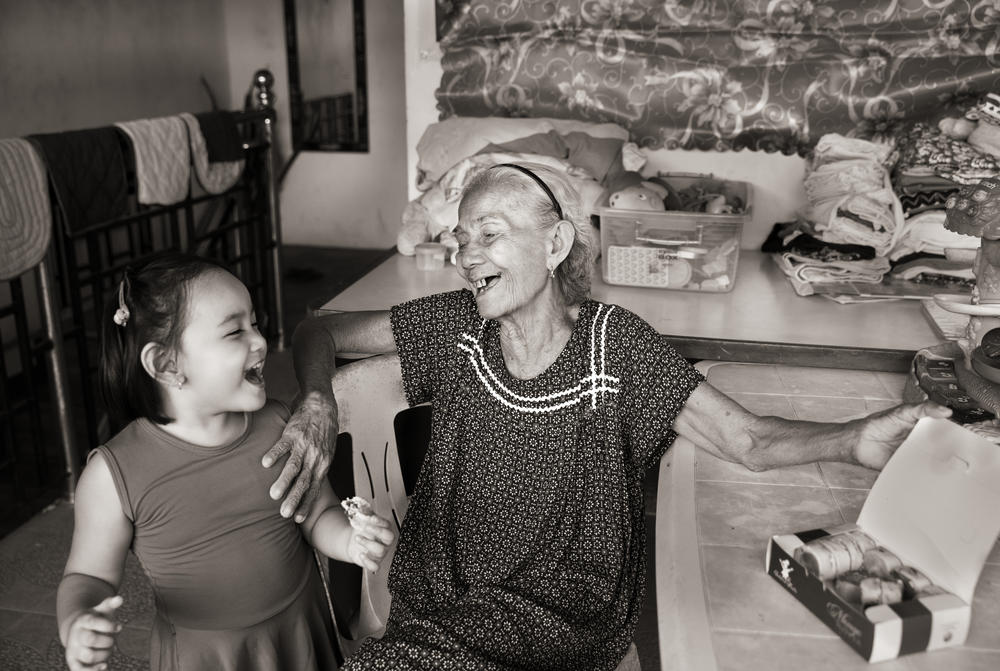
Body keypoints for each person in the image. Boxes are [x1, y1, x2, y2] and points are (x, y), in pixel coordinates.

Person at [270, 163, 950, 670]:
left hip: (564, 617)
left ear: (557, 241)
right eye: (459, 239)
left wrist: (855, 439)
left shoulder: (616, 346)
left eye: (490, 234)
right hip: (439, 605)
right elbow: (318, 333)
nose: (465, 254)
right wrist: (317, 398)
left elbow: (746, 439)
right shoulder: (453, 326)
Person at [56, 252, 396, 671]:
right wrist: (78, 621)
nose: (260, 340)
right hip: (206, 658)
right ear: (167, 365)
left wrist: (349, 541)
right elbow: (87, 577)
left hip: (300, 634)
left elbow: (317, 513)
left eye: (254, 322)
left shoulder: (280, 424)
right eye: (235, 331)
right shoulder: (112, 476)